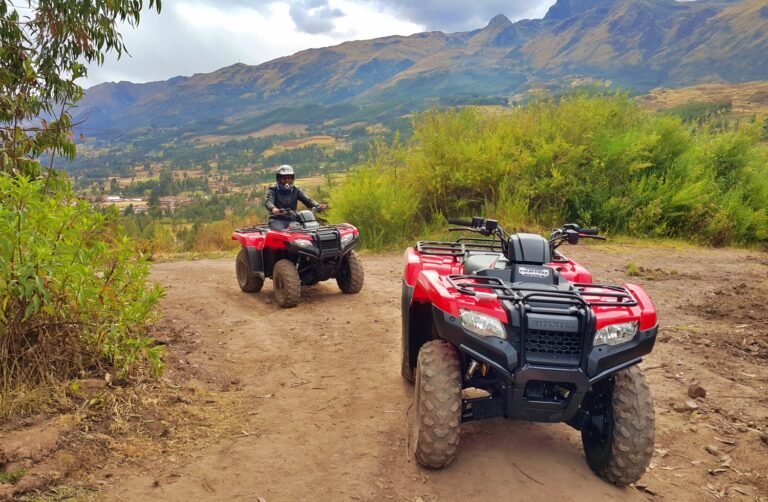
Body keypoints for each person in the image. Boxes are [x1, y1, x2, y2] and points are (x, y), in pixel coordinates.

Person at [264, 165, 326, 230]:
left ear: (293, 179)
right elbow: (269, 201)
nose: (287, 181)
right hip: (278, 220)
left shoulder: (296, 190)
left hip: (293, 220)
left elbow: (307, 200)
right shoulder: (273, 189)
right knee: (282, 234)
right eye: (284, 178)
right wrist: (273, 209)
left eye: (289, 178)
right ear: (279, 179)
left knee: (309, 231)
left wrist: (318, 206)